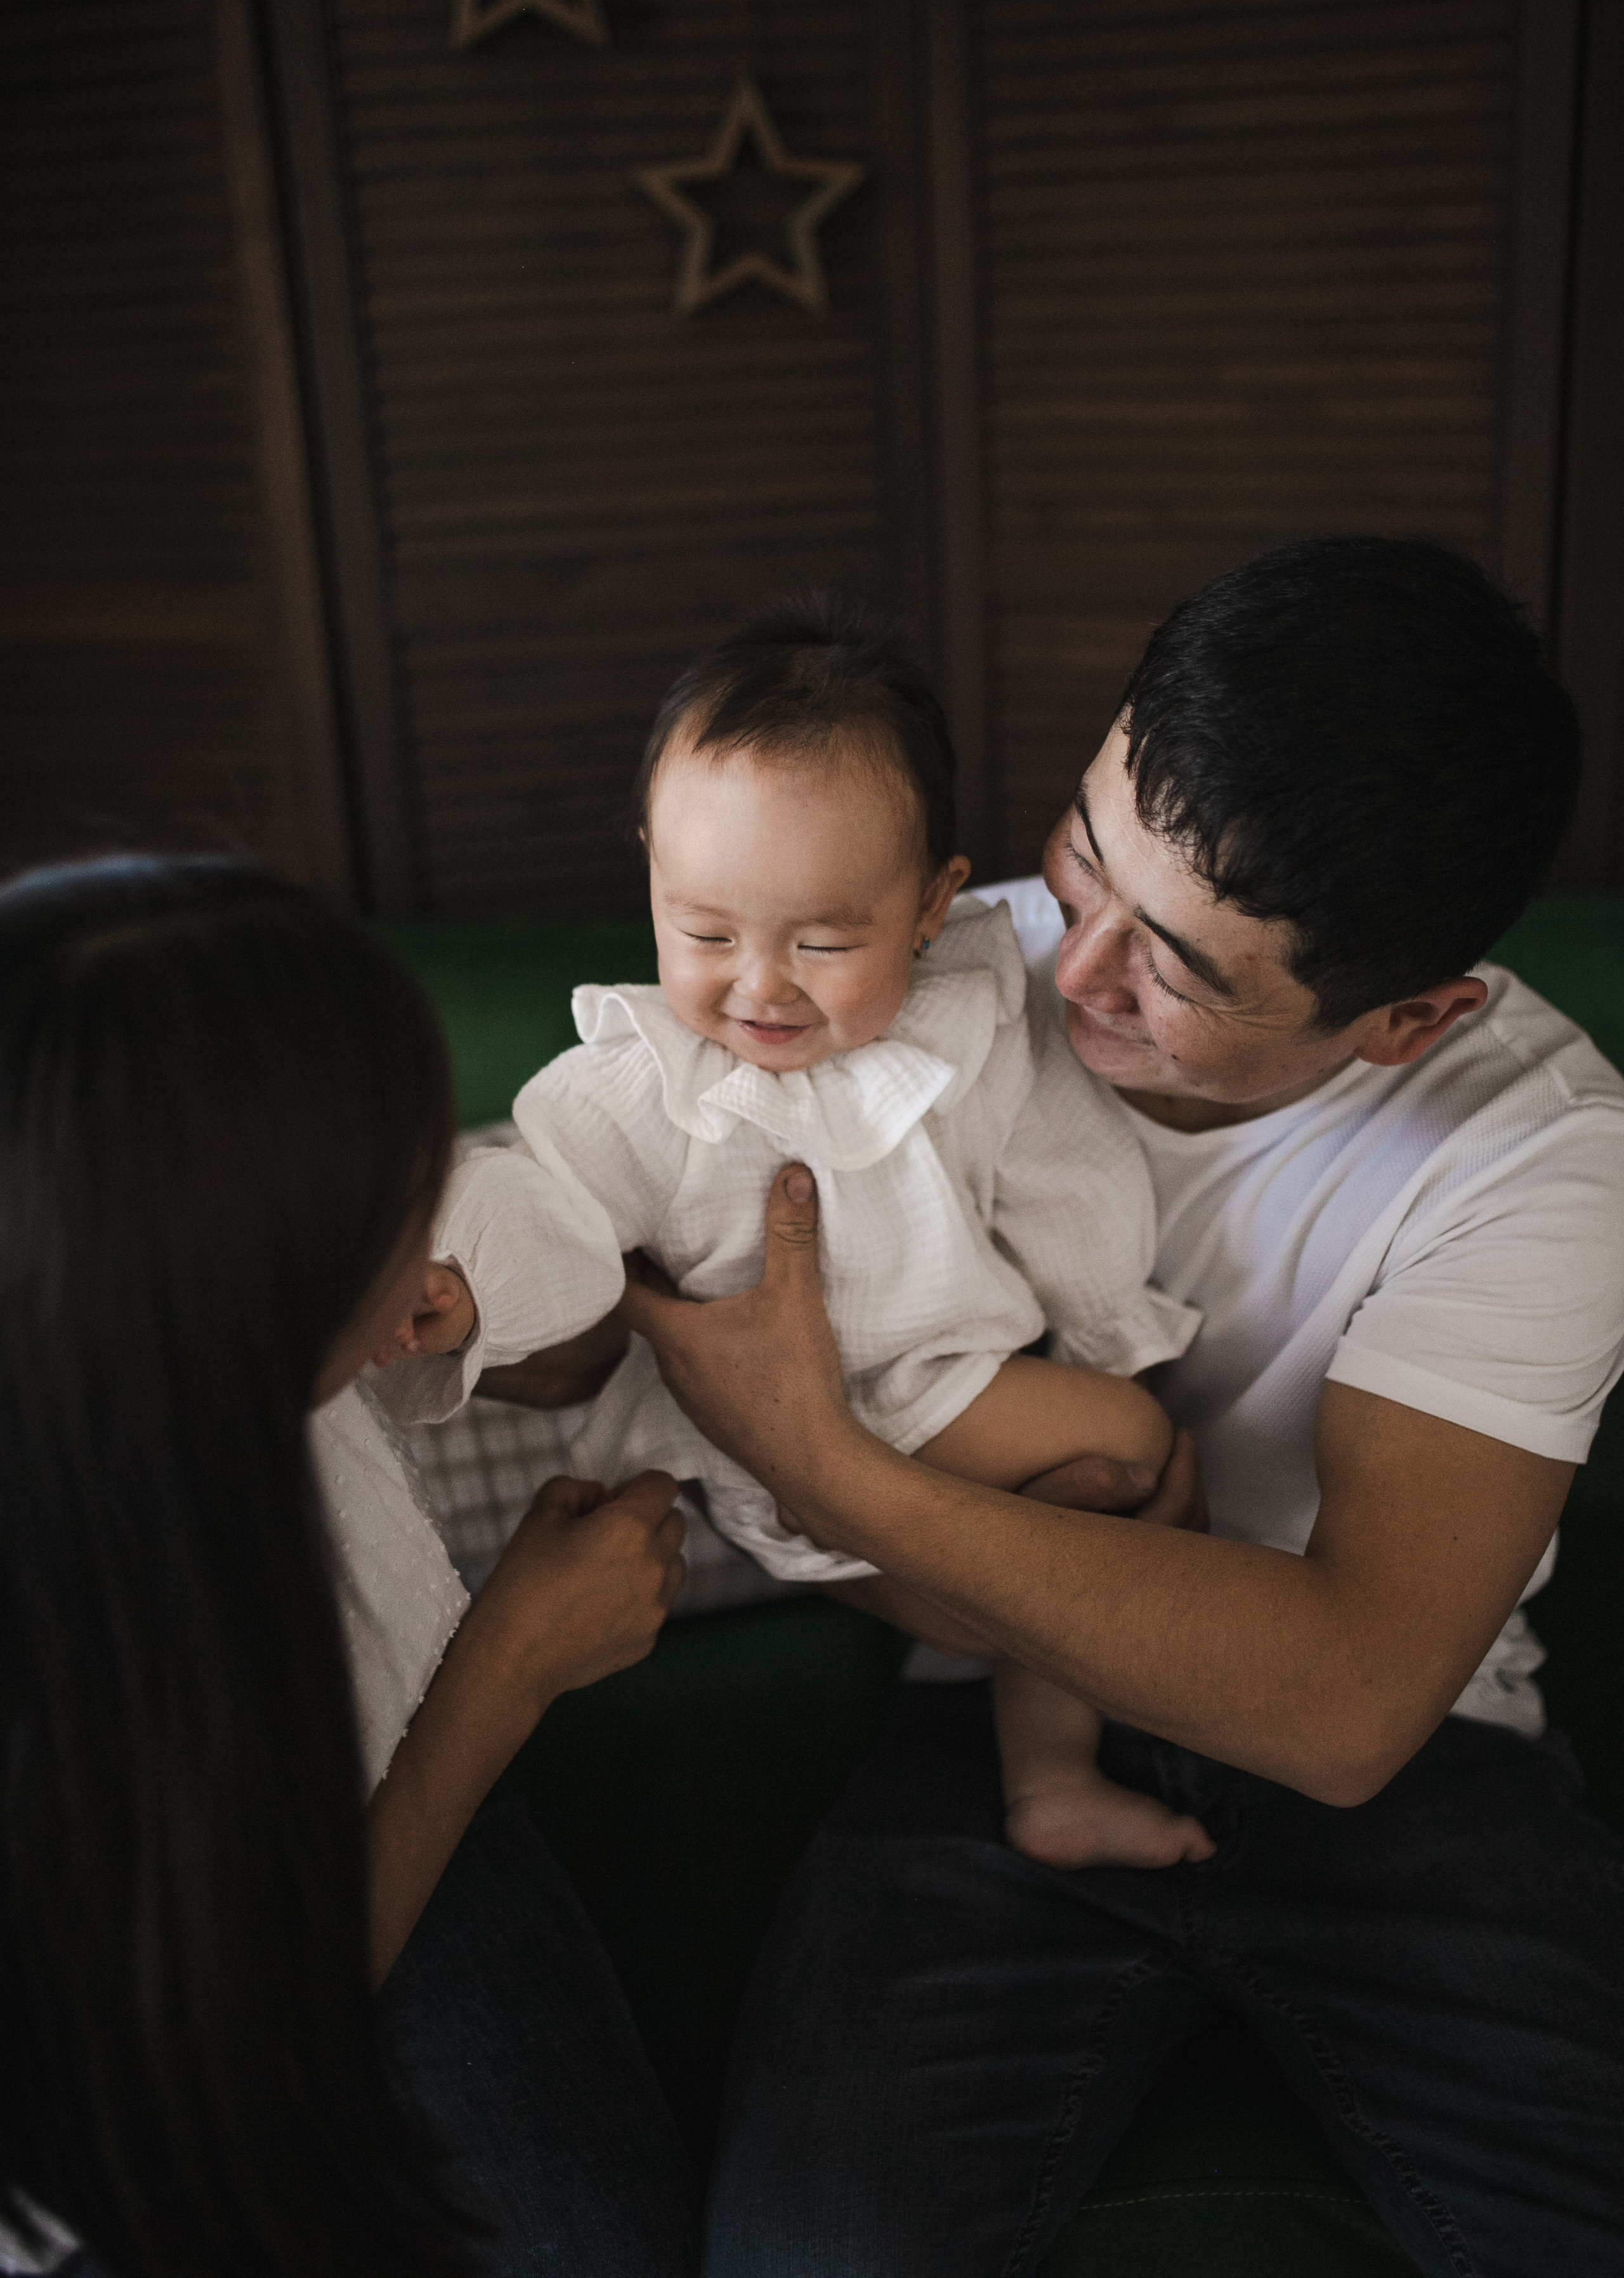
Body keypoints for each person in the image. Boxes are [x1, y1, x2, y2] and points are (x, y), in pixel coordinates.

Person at [616, 541, 1624, 2278]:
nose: (1064, 974)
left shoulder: (1542, 1153)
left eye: (1169, 972)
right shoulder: (921, 972)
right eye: (1080, 860)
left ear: (1406, 1021)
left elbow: (1350, 1701)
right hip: (975, 1731)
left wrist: (820, 1468)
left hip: (1430, 1772)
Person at [389, 599, 1217, 1870]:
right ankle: (927, 1599)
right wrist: (467, 1283)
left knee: (1121, 1464)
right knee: (1129, 1453)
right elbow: (544, 1198)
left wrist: (1109, 1327)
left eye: (824, 942)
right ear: (653, 885)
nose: (760, 986)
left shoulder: (978, 1023)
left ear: (933, 904)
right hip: (755, 1425)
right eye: (704, 933)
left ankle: (1043, 1770)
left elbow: (1068, 1176)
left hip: (943, 1385)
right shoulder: (641, 1081)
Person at [0, 856, 693, 2278]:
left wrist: (522, 1325)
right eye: (393, 1209)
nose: (430, 1225)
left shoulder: (109, 1318)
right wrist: (506, 1672)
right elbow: (217, 2056)